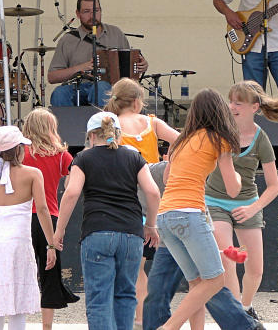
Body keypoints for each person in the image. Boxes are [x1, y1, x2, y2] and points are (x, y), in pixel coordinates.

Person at [205, 81, 278, 320]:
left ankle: (245, 306)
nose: (232, 106)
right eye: (230, 101)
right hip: (214, 201)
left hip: (248, 204)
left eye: (238, 103)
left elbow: (274, 186)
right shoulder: (217, 131)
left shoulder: (262, 139)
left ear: (255, 107)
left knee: (255, 269)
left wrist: (253, 208)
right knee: (227, 258)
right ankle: (234, 315)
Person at [54, 112, 160, 330]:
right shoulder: (134, 157)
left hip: (97, 232)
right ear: (118, 134)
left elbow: (72, 193)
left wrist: (60, 230)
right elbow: (153, 192)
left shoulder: (83, 159)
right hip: (132, 234)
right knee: (126, 294)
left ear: (91, 136)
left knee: (99, 299)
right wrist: (150, 225)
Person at [142, 149, 266, 330]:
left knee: (203, 283)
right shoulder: (156, 169)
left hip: (176, 225)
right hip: (176, 228)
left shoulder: (161, 168)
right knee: (204, 283)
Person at [156, 88, 242, 330]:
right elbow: (233, 189)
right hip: (190, 214)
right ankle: (169, 327)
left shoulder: (180, 141)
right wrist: (238, 176)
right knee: (215, 279)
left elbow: (166, 179)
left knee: (197, 283)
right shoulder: (219, 140)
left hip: (165, 216)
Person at [104, 78, 179, 326]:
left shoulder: (111, 125)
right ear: (138, 102)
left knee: (134, 269)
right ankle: (147, 319)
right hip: (154, 196)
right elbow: (181, 139)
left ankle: (137, 319)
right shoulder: (151, 122)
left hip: (125, 197)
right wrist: (171, 159)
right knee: (151, 265)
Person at [0, 125, 57, 330]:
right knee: (17, 304)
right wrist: (51, 244)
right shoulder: (32, 173)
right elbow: (43, 210)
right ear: (18, 149)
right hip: (17, 240)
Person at [22, 108, 80, 329]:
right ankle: (47, 326)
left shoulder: (20, 153)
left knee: (23, 270)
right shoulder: (61, 155)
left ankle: (20, 320)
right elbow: (72, 181)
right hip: (50, 217)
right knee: (49, 271)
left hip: (22, 216)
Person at [48, 0, 147, 107]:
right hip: (77, 87)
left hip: (109, 88)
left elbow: (130, 66)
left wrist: (141, 65)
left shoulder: (115, 34)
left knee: (101, 88)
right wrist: (80, 68)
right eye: (86, 11)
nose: (92, 15)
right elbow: (52, 77)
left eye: (96, 11)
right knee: (58, 93)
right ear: (78, 14)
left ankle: (105, 125)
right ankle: (68, 125)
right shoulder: (68, 39)